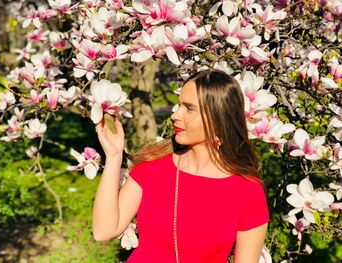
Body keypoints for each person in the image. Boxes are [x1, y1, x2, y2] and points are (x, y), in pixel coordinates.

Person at [92, 69, 270, 262]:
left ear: (218, 119)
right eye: (178, 106)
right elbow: (104, 231)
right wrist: (114, 156)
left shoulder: (247, 191)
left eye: (189, 108)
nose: (175, 115)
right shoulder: (152, 168)